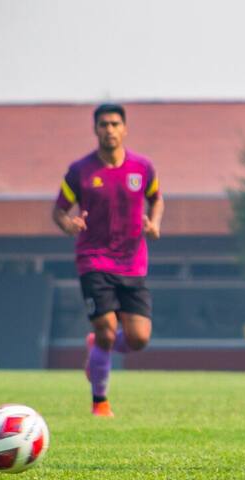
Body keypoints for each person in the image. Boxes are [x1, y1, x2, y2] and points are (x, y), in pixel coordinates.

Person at [52, 103, 163, 417]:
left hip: (133, 263)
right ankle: (99, 402)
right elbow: (59, 210)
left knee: (139, 338)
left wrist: (154, 223)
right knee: (106, 329)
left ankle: (98, 346)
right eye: (103, 124)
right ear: (95, 129)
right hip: (94, 260)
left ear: (125, 129)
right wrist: (68, 225)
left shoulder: (142, 168)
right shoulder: (80, 171)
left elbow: (157, 199)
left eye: (115, 124)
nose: (109, 129)